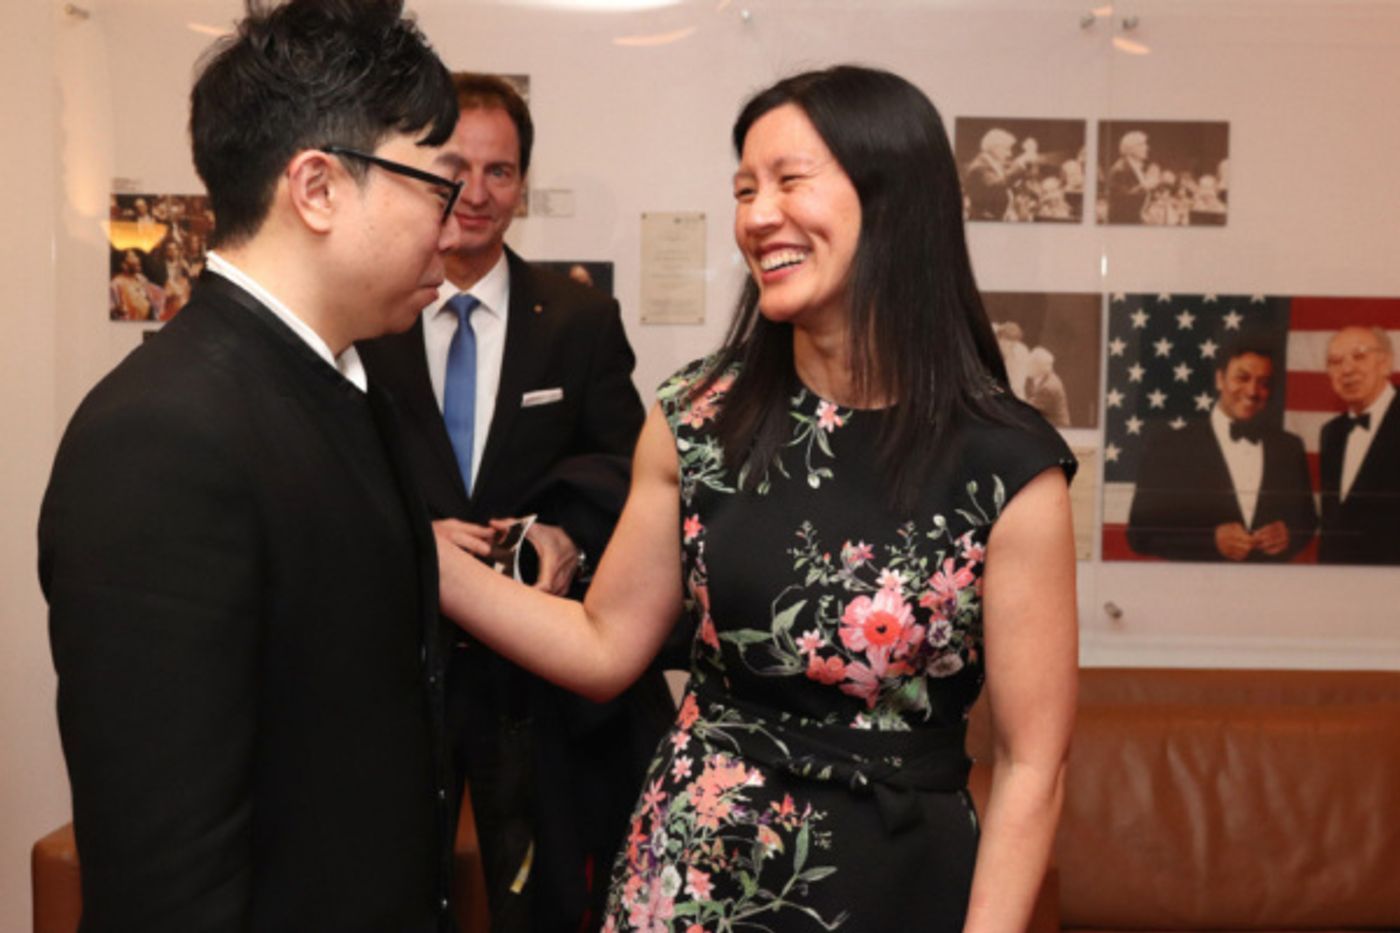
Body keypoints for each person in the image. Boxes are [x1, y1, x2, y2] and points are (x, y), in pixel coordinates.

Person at [435, 65, 1078, 932]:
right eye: (744, 188)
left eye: (789, 180)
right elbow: (602, 642)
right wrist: (419, 554)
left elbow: (1032, 763)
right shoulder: (697, 418)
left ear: (893, 198)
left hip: (894, 884)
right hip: (692, 879)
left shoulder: (1009, 465)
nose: (756, 215)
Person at [39, 1, 467, 928]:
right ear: (317, 188)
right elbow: (166, 868)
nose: (456, 226)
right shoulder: (161, 438)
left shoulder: (352, 381)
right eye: (438, 187)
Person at [358, 72, 671, 932]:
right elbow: (326, 476)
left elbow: (627, 468)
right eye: (455, 166)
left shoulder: (578, 318)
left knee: (543, 902)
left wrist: (565, 531)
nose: (476, 191)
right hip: (399, 668)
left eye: (500, 171)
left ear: (523, 186)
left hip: (536, 685)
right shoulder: (367, 315)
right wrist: (415, 535)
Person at [1126, 338, 1317, 562]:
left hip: (1268, 590)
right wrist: (1210, 541)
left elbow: (1308, 521)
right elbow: (1140, 535)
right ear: (1220, 379)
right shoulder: (1169, 447)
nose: (1253, 390)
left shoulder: (1289, 447)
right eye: (1242, 378)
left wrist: (1289, 535)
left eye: (1263, 382)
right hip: (1195, 590)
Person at [1318, 325, 1400, 564]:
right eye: (1335, 361)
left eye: (1359, 356)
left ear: (1385, 364)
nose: (1347, 369)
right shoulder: (1331, 433)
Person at [1104, 130, 1154, 224]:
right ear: (1131, 149)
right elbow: (1122, 201)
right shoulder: (1120, 169)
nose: (1147, 148)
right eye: (1142, 145)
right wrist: (1144, 186)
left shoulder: (1135, 167)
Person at [1025, 346, 1071, 427]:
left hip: (1059, 429)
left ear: (1040, 367)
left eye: (1030, 364)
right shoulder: (1039, 378)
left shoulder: (1048, 387)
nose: (1027, 366)